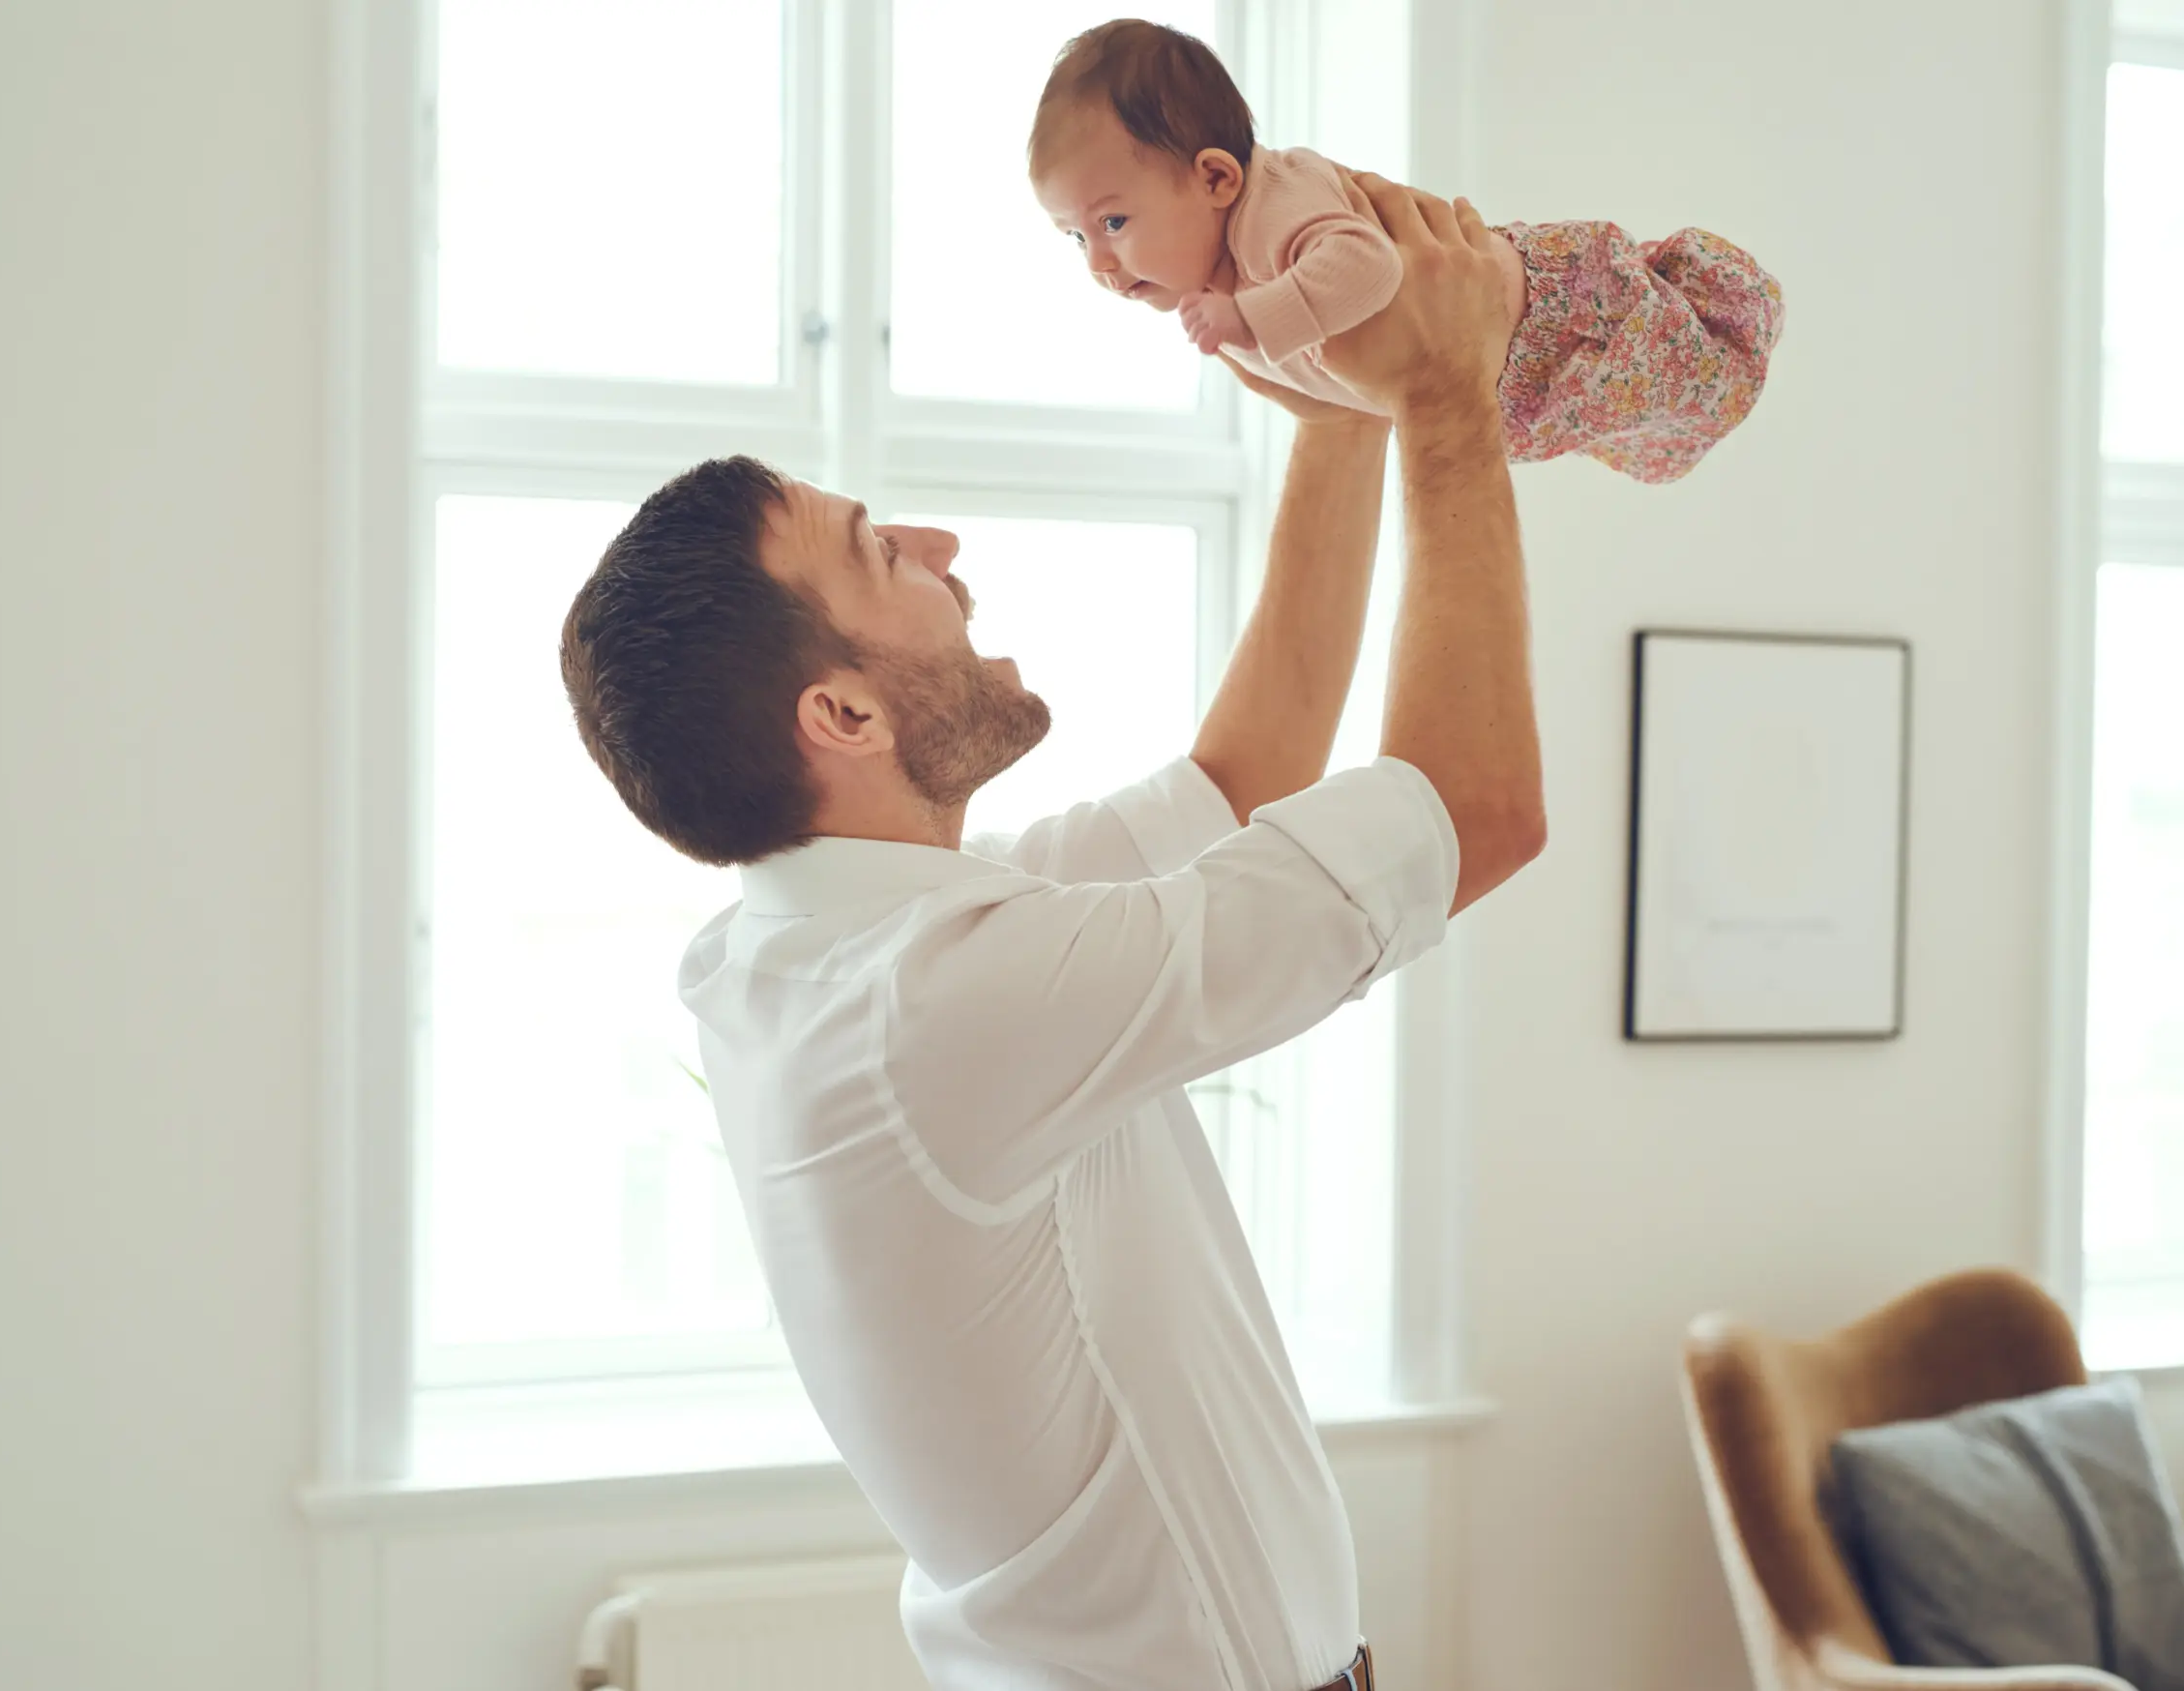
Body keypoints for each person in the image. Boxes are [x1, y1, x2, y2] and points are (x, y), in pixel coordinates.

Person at [559, 173, 1544, 1691]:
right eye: (881, 551)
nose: (942, 547)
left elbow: (1244, 780)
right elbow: (1476, 809)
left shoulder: (841, 952)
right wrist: (1450, 405)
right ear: (843, 713)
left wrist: (1346, 403)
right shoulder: (934, 1009)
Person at [1030, 17, 1785, 486]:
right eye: (1076, 237)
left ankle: (1723, 305)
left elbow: (1366, 265)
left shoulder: (1273, 206)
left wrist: (1248, 319)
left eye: (1114, 223)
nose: (1098, 262)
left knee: (1708, 374)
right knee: (1649, 436)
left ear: (1217, 178)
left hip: (1555, 317)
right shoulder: (1225, 283)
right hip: (1513, 381)